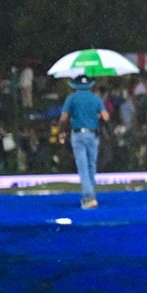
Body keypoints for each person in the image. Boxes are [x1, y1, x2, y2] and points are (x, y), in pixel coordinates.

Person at [59, 74, 109, 209]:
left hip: (78, 134)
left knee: (82, 166)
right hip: (93, 134)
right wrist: (96, 116)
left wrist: (61, 132)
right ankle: (91, 195)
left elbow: (64, 117)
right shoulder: (95, 98)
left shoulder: (72, 98)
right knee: (92, 165)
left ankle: (88, 196)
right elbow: (106, 116)